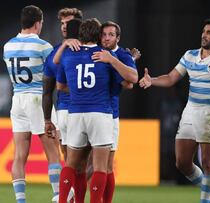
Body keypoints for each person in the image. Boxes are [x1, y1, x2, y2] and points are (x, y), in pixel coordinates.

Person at [139, 18, 210, 203]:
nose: (204, 35)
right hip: (190, 111)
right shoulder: (190, 55)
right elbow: (170, 78)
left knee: (208, 163)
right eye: (203, 31)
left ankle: (206, 200)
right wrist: (151, 80)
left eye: (209, 32)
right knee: (182, 163)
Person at [56, 18, 136, 203]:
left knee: (71, 164)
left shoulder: (68, 55)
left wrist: (79, 90)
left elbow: (60, 86)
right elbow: (129, 82)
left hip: (75, 113)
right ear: (98, 35)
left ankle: (63, 201)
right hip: (101, 113)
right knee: (101, 166)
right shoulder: (105, 56)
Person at [3, 5, 61, 203]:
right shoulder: (44, 47)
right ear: (38, 23)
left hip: (17, 99)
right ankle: (57, 195)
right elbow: (54, 75)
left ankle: (20, 200)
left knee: (19, 154)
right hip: (37, 98)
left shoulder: (7, 46)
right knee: (52, 150)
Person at [92, 20, 140, 203]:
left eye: (111, 35)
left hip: (110, 114)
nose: (106, 38)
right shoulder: (94, 51)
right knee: (87, 164)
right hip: (90, 112)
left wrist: (113, 60)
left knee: (107, 166)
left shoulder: (122, 55)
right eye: (104, 34)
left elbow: (131, 81)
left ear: (118, 37)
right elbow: (126, 82)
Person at [43, 10, 82, 202]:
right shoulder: (54, 54)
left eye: (69, 23)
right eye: (62, 23)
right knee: (70, 158)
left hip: (95, 110)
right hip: (65, 111)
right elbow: (47, 90)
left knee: (94, 161)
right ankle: (72, 195)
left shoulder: (94, 48)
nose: (65, 27)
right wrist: (47, 119)